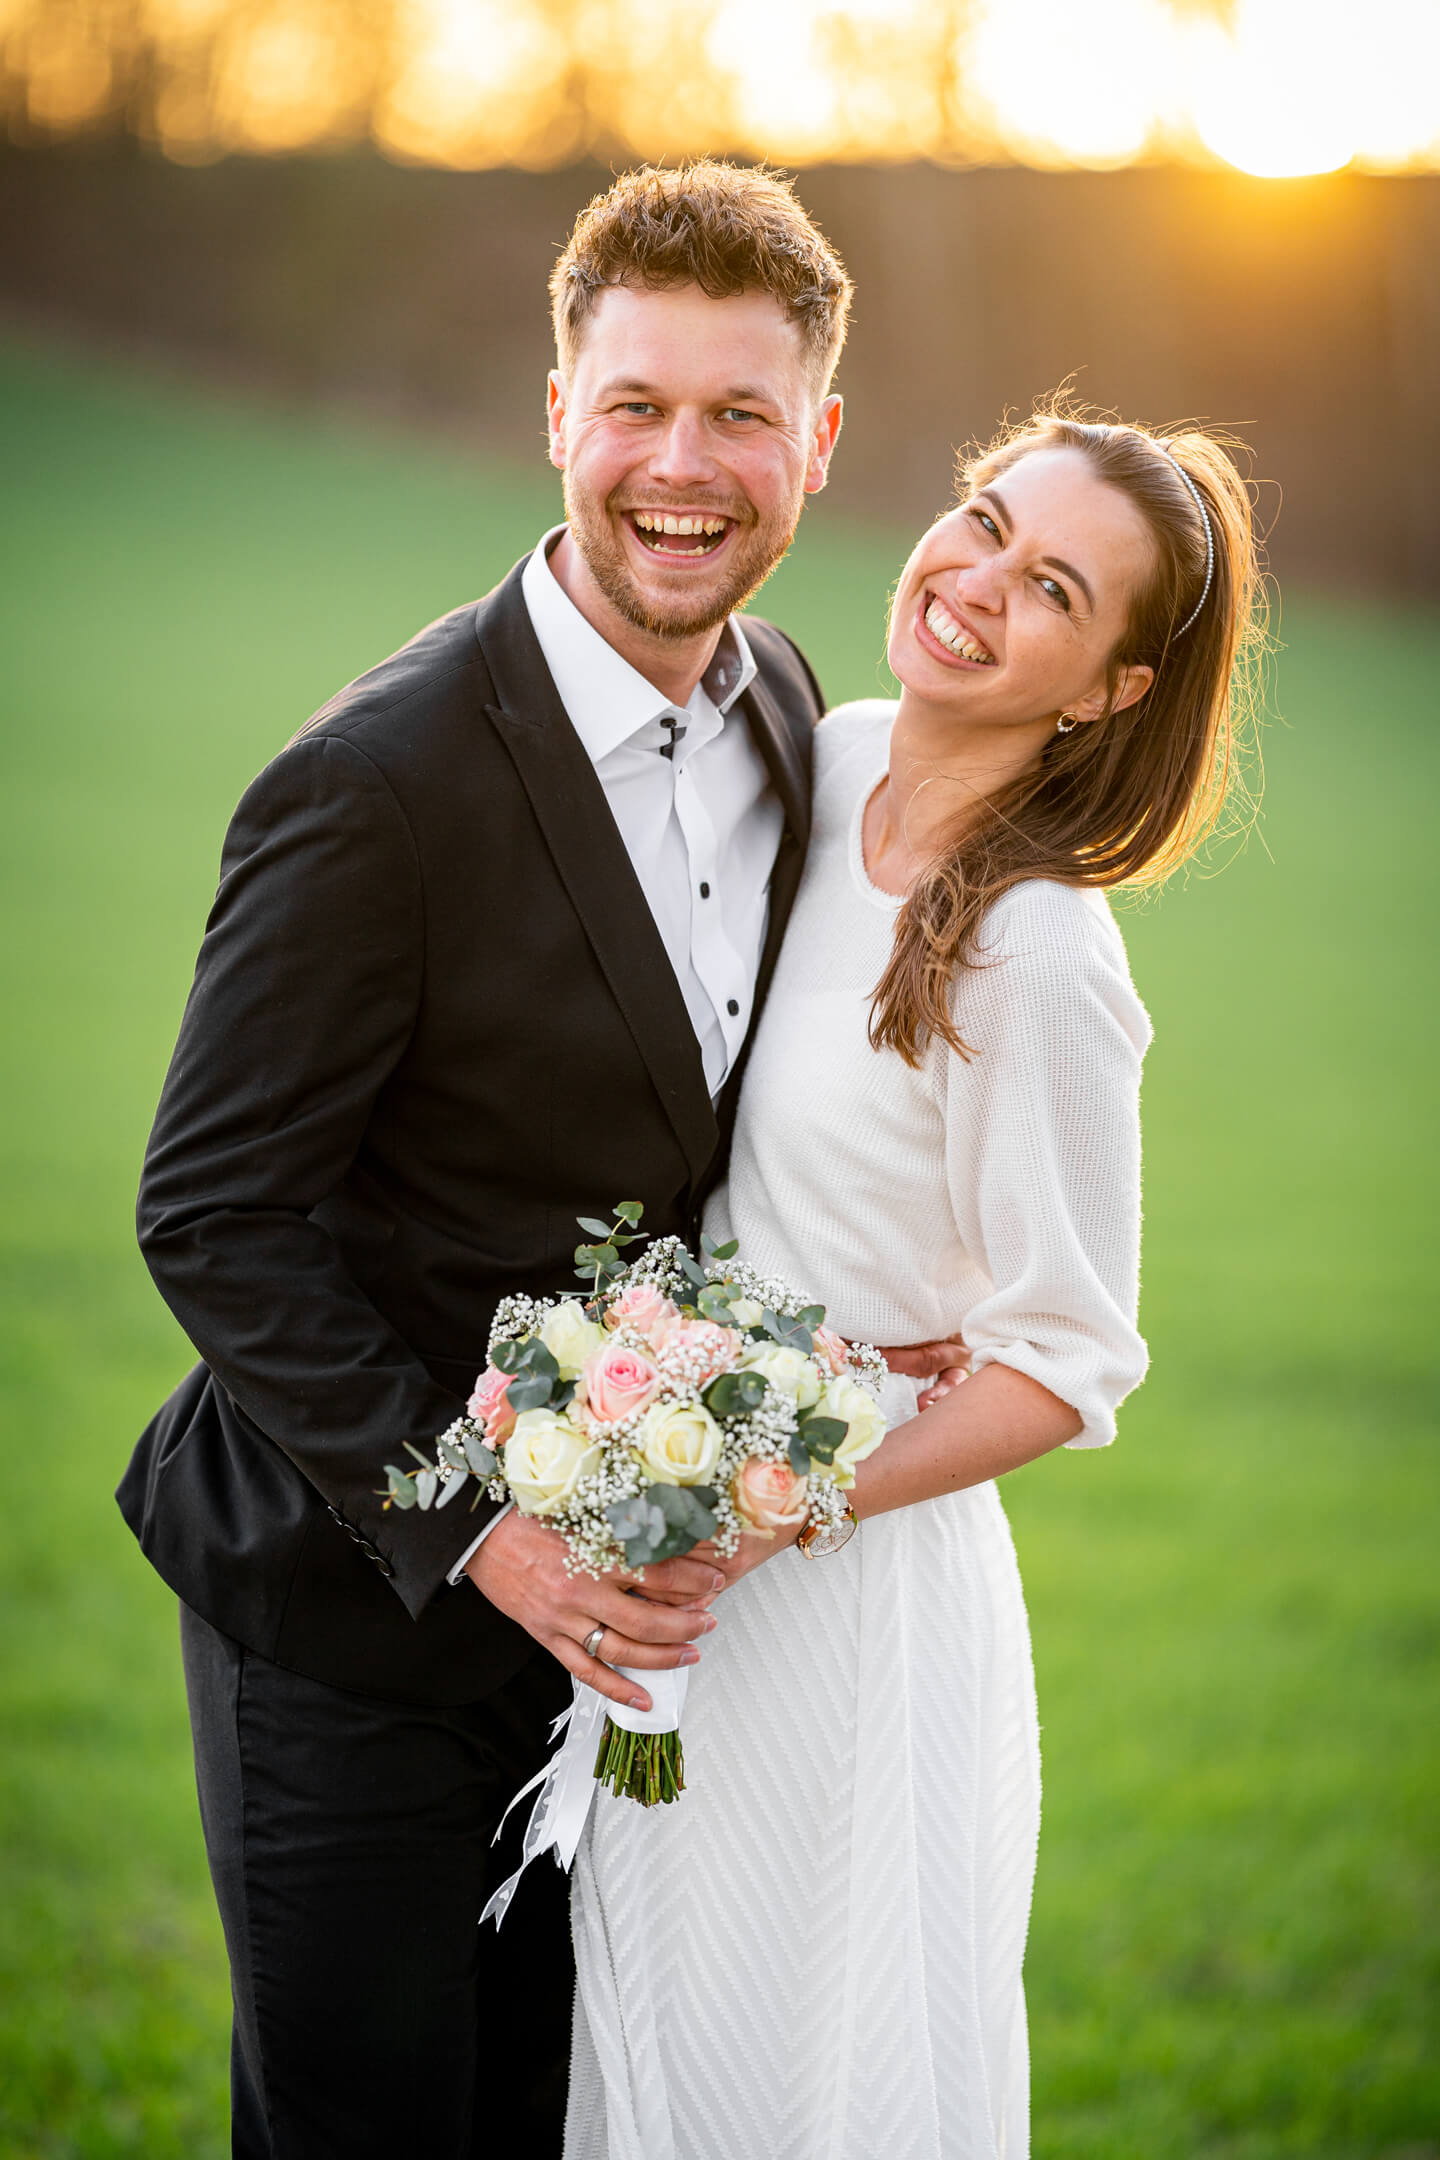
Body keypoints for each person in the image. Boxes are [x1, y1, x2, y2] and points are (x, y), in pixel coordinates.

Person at [117, 163, 962, 2159]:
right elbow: (212, 1214)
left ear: (819, 444)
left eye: (743, 414)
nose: (687, 465)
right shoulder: (372, 785)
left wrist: (853, 1348)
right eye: (640, 406)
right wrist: (483, 1527)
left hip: (630, 1633)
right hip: (351, 1611)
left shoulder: (782, 714)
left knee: (564, 2118)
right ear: (556, 412)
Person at [566, 408, 1262, 2159]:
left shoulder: (1037, 946)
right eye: (982, 519)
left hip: (849, 1586)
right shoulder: (827, 752)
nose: (971, 584)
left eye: (1050, 590)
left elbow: (1067, 1356)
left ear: (1105, 686)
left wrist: (776, 1490)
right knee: (628, 2026)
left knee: (805, 2063)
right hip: (665, 1506)